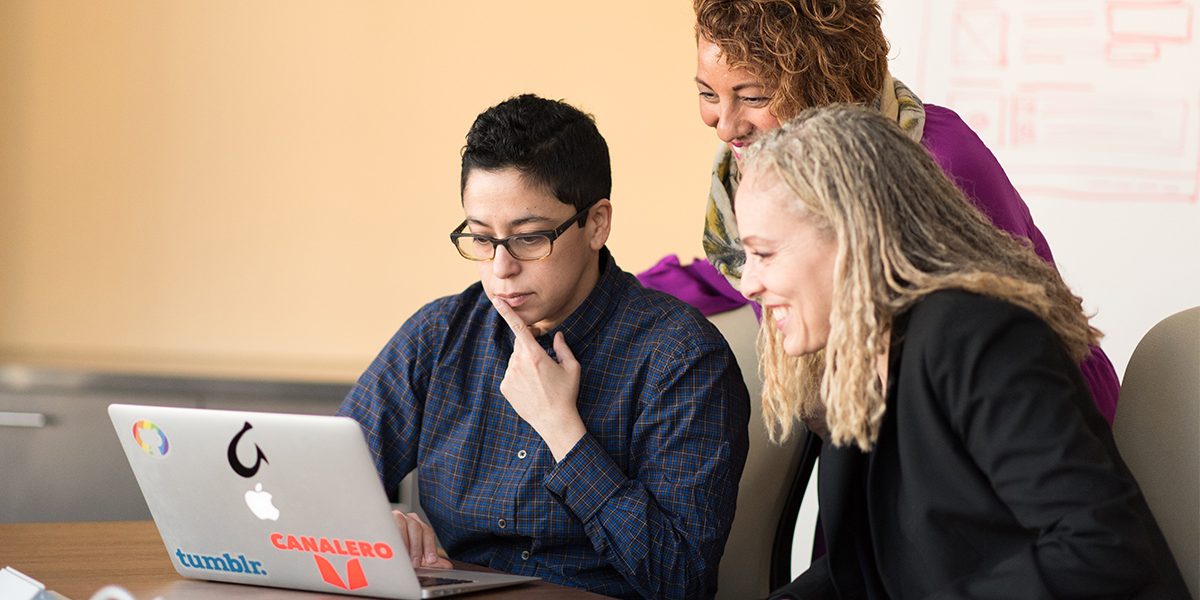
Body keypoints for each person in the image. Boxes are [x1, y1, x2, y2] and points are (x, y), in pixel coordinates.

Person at [734, 104, 1189, 599]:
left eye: (764, 253)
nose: (748, 282)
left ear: (851, 237)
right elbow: (859, 576)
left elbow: (1102, 551)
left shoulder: (980, 337)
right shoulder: (858, 360)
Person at [337, 94, 750, 600]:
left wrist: (564, 431)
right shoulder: (441, 334)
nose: (501, 268)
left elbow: (680, 580)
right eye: (482, 239)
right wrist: (381, 526)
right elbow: (324, 478)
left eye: (529, 238)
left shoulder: (680, 357)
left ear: (596, 223)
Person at [678, 0, 1120, 423]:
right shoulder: (752, 172)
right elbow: (760, 263)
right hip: (894, 431)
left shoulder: (939, 161)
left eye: (753, 98)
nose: (725, 125)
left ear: (824, 87)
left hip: (1033, 422)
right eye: (707, 93)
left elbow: (1010, 338)